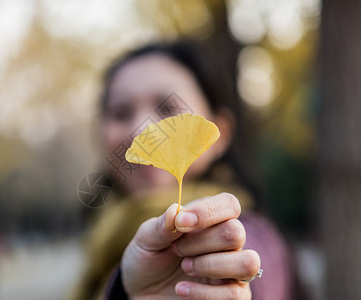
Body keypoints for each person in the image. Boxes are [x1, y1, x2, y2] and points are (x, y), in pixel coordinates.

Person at [70, 41, 292, 300]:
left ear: (221, 133)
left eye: (168, 110)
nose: (142, 130)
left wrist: (230, 273)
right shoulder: (97, 242)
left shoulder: (248, 231)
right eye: (121, 113)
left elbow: (258, 262)